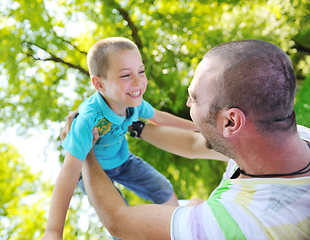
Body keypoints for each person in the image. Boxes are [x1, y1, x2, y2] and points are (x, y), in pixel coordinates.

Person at [80, 40, 310, 239]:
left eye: (195, 98)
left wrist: (86, 151)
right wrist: (135, 125)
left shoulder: (241, 223)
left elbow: (119, 221)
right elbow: (192, 144)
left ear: (231, 121)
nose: (188, 104)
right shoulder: (292, 136)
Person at [41, 37, 198, 239]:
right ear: (99, 83)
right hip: (92, 171)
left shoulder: (134, 102)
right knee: (120, 224)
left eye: (141, 71)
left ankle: (179, 231)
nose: (138, 81)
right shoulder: (88, 120)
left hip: (123, 161)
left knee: (162, 188)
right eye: (125, 75)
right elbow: (68, 173)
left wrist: (197, 127)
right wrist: (53, 232)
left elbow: (159, 117)